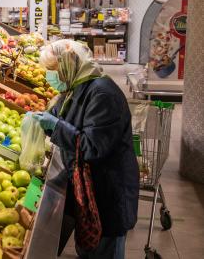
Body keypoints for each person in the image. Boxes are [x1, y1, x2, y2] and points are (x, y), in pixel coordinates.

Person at [33, 40, 139, 259]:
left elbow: (93, 146)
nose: (49, 77)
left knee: (105, 251)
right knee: (89, 250)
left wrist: (56, 126)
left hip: (108, 194)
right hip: (92, 190)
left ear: (67, 67)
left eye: (52, 71)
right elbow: (67, 118)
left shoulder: (102, 94)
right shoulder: (76, 87)